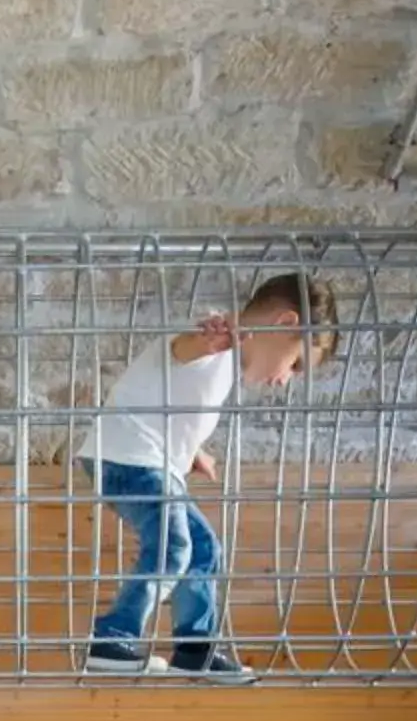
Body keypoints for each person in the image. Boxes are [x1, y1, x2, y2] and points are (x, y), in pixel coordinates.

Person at [74, 272, 338, 683]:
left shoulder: (226, 361)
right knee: (173, 544)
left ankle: (196, 649)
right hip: (128, 459)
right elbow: (180, 351)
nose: (286, 379)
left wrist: (192, 450)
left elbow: (169, 394)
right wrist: (207, 340)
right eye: (296, 363)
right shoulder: (217, 339)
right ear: (285, 325)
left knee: (203, 548)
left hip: (147, 459)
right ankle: (112, 638)